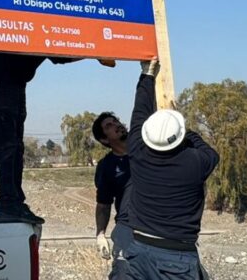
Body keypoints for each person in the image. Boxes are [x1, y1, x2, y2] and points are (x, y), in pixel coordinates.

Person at [126, 61, 219, 280]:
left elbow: (139, 111)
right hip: (176, 255)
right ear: (179, 136)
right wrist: (187, 131)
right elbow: (210, 152)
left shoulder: (137, 151)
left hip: (138, 248)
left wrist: (146, 74)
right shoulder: (195, 163)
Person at [0, 52, 79, 222]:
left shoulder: (45, 29)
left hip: (14, 82)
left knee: (16, 146)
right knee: (8, 145)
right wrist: (94, 53)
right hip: (0, 78)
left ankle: (14, 200)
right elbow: (60, 57)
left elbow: (60, 54)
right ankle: (7, 202)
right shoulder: (39, 27)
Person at [92, 111, 133, 279]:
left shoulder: (146, 149)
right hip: (128, 226)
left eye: (116, 121)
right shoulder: (106, 166)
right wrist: (100, 233)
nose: (116, 124)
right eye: (109, 126)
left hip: (159, 223)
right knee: (123, 273)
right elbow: (103, 204)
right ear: (104, 140)